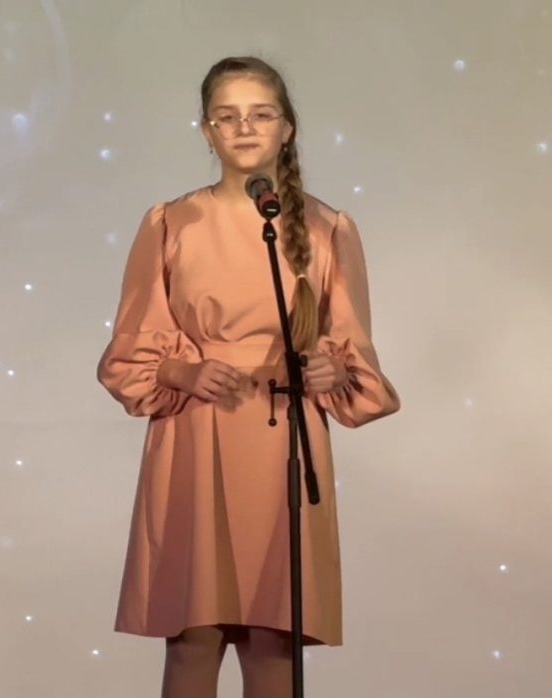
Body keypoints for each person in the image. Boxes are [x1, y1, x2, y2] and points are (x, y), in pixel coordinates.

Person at [96, 56, 401, 698]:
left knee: (274, 639)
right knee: (194, 635)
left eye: (260, 114)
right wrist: (182, 370)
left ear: (286, 128)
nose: (243, 128)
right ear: (207, 131)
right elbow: (128, 353)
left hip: (284, 438)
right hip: (195, 439)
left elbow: (354, 357)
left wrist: (330, 369)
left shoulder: (327, 229)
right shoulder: (171, 224)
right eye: (226, 116)